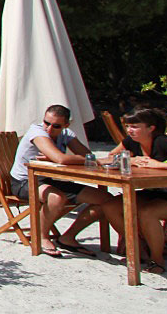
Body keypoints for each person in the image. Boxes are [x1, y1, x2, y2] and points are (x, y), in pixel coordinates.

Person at [97, 108, 167, 274]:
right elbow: (110, 157)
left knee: (147, 213)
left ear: (151, 128)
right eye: (128, 126)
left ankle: (157, 260)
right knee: (110, 206)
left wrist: (159, 164)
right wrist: (132, 159)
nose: (129, 130)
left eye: (135, 127)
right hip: (154, 192)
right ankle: (138, 248)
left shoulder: (162, 142)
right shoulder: (131, 141)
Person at [10, 104, 111, 258]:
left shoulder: (67, 134)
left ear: (66, 125)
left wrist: (64, 158)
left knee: (105, 200)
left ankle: (68, 237)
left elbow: (88, 157)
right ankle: (42, 237)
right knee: (56, 198)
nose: (49, 129)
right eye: (46, 123)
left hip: (48, 180)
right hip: (24, 181)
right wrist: (62, 158)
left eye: (56, 126)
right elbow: (62, 159)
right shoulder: (37, 132)